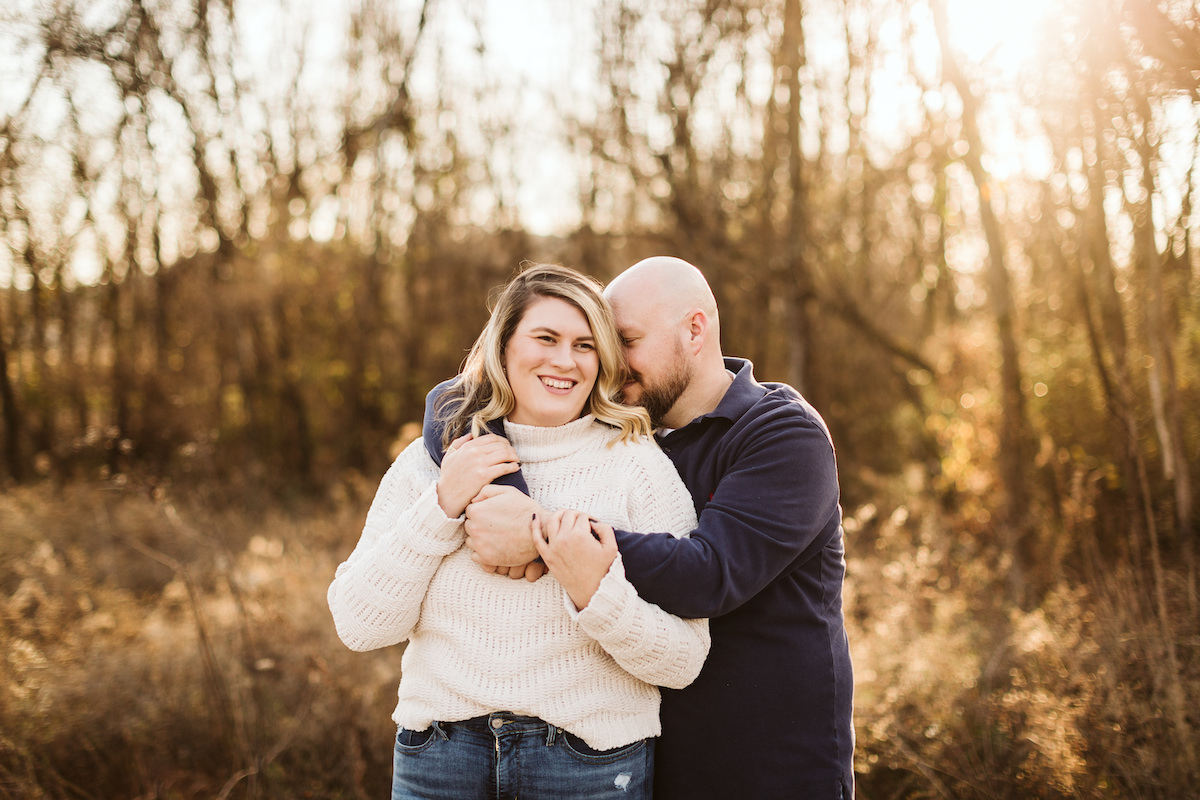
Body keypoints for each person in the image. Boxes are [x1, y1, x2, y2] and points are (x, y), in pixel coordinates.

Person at [427, 257, 854, 799]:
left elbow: (711, 574)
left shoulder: (782, 434)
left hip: (772, 768)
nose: (611, 360)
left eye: (625, 339)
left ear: (694, 330)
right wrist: (506, 492)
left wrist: (541, 534)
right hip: (643, 767)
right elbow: (452, 398)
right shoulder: (627, 430)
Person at [328, 264, 709, 800]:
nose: (564, 360)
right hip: (439, 757)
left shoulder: (636, 465)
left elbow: (683, 660)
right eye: (545, 338)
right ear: (503, 347)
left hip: (587, 765)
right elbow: (359, 625)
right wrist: (442, 506)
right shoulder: (430, 462)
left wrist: (593, 593)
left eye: (584, 345)